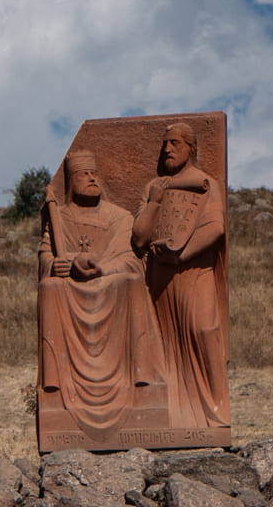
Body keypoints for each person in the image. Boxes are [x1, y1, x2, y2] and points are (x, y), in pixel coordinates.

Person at [38, 150, 166, 435]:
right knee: (48, 288)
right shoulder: (58, 218)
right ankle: (55, 390)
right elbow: (46, 258)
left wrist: (101, 269)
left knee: (133, 283)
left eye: (94, 173)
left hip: (111, 285)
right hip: (71, 289)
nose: (92, 177)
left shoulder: (119, 217)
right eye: (84, 174)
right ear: (71, 182)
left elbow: (132, 259)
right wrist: (66, 263)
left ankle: (141, 382)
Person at [132, 122, 230, 429]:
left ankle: (216, 410)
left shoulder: (205, 184)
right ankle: (176, 417)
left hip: (194, 273)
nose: (167, 149)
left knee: (204, 331)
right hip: (161, 280)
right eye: (164, 144)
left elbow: (215, 228)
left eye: (174, 143)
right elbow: (138, 239)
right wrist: (155, 202)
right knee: (167, 346)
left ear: (191, 148)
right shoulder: (153, 188)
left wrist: (181, 254)